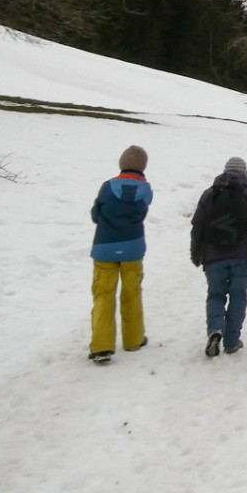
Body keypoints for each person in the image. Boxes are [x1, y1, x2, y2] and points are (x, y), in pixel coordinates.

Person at [189, 155, 247, 357]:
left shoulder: (209, 194)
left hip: (213, 255)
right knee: (238, 296)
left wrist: (195, 251)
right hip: (241, 256)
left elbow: (197, 225)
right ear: (245, 174)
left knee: (215, 294)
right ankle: (232, 341)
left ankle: (215, 329)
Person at [88, 145, 154, 363]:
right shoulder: (146, 190)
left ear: (121, 164)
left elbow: (96, 214)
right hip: (133, 247)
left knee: (103, 295)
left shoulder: (108, 187)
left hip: (104, 247)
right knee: (132, 293)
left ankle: (101, 346)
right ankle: (133, 339)